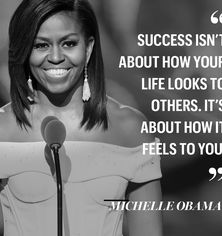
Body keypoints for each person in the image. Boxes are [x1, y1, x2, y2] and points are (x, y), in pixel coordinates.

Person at [0, 0, 162, 235]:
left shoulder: (130, 129)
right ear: (25, 51)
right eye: (41, 45)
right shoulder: (3, 130)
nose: (55, 57)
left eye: (68, 43)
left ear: (88, 48)